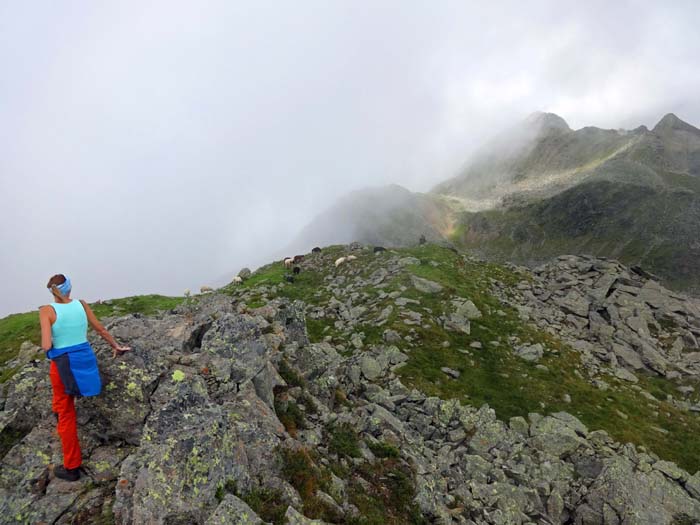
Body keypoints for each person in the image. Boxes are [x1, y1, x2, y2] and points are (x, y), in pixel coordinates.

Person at [39, 274, 131, 481]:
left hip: (63, 365)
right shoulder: (81, 304)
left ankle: (72, 467)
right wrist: (116, 346)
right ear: (69, 287)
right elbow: (100, 328)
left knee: (65, 412)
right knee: (65, 406)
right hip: (85, 359)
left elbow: (46, 345)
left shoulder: (47, 311)